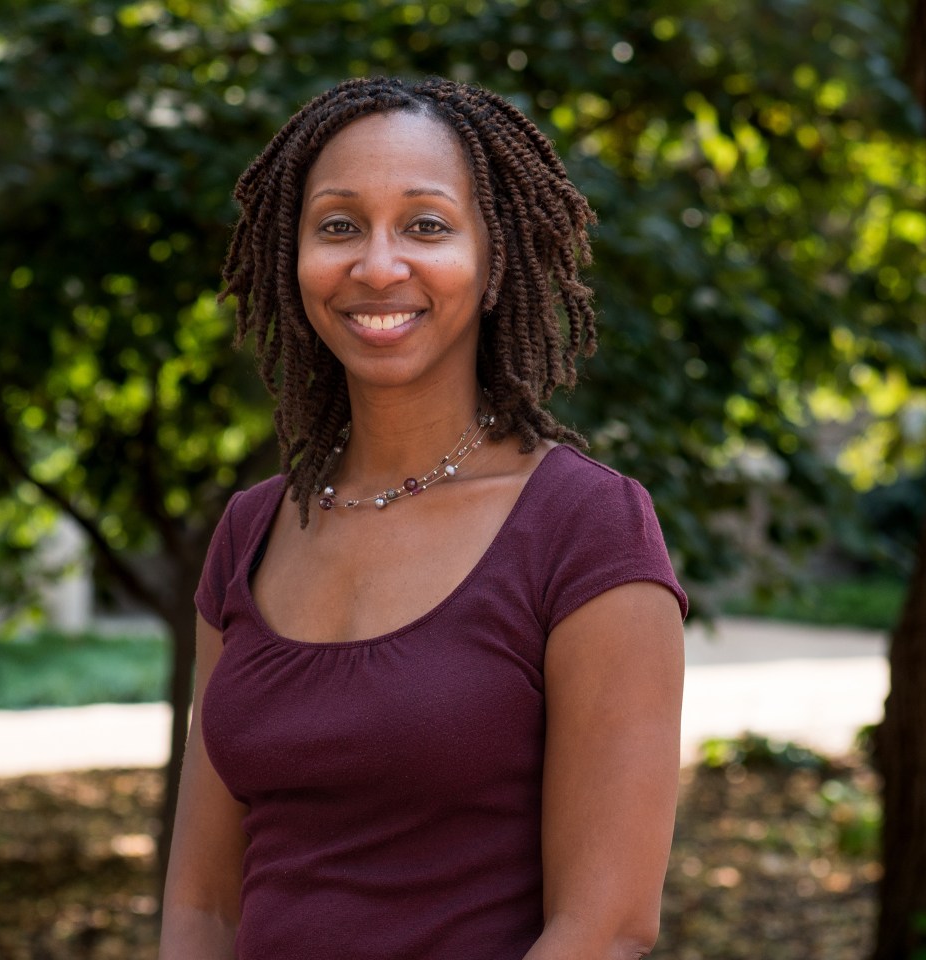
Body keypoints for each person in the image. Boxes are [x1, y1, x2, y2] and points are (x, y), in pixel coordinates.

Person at [160, 76, 688, 960]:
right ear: (293, 257)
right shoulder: (252, 532)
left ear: (493, 258)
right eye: (338, 226)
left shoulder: (585, 527)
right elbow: (203, 905)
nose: (377, 266)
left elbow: (604, 931)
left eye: (427, 226)